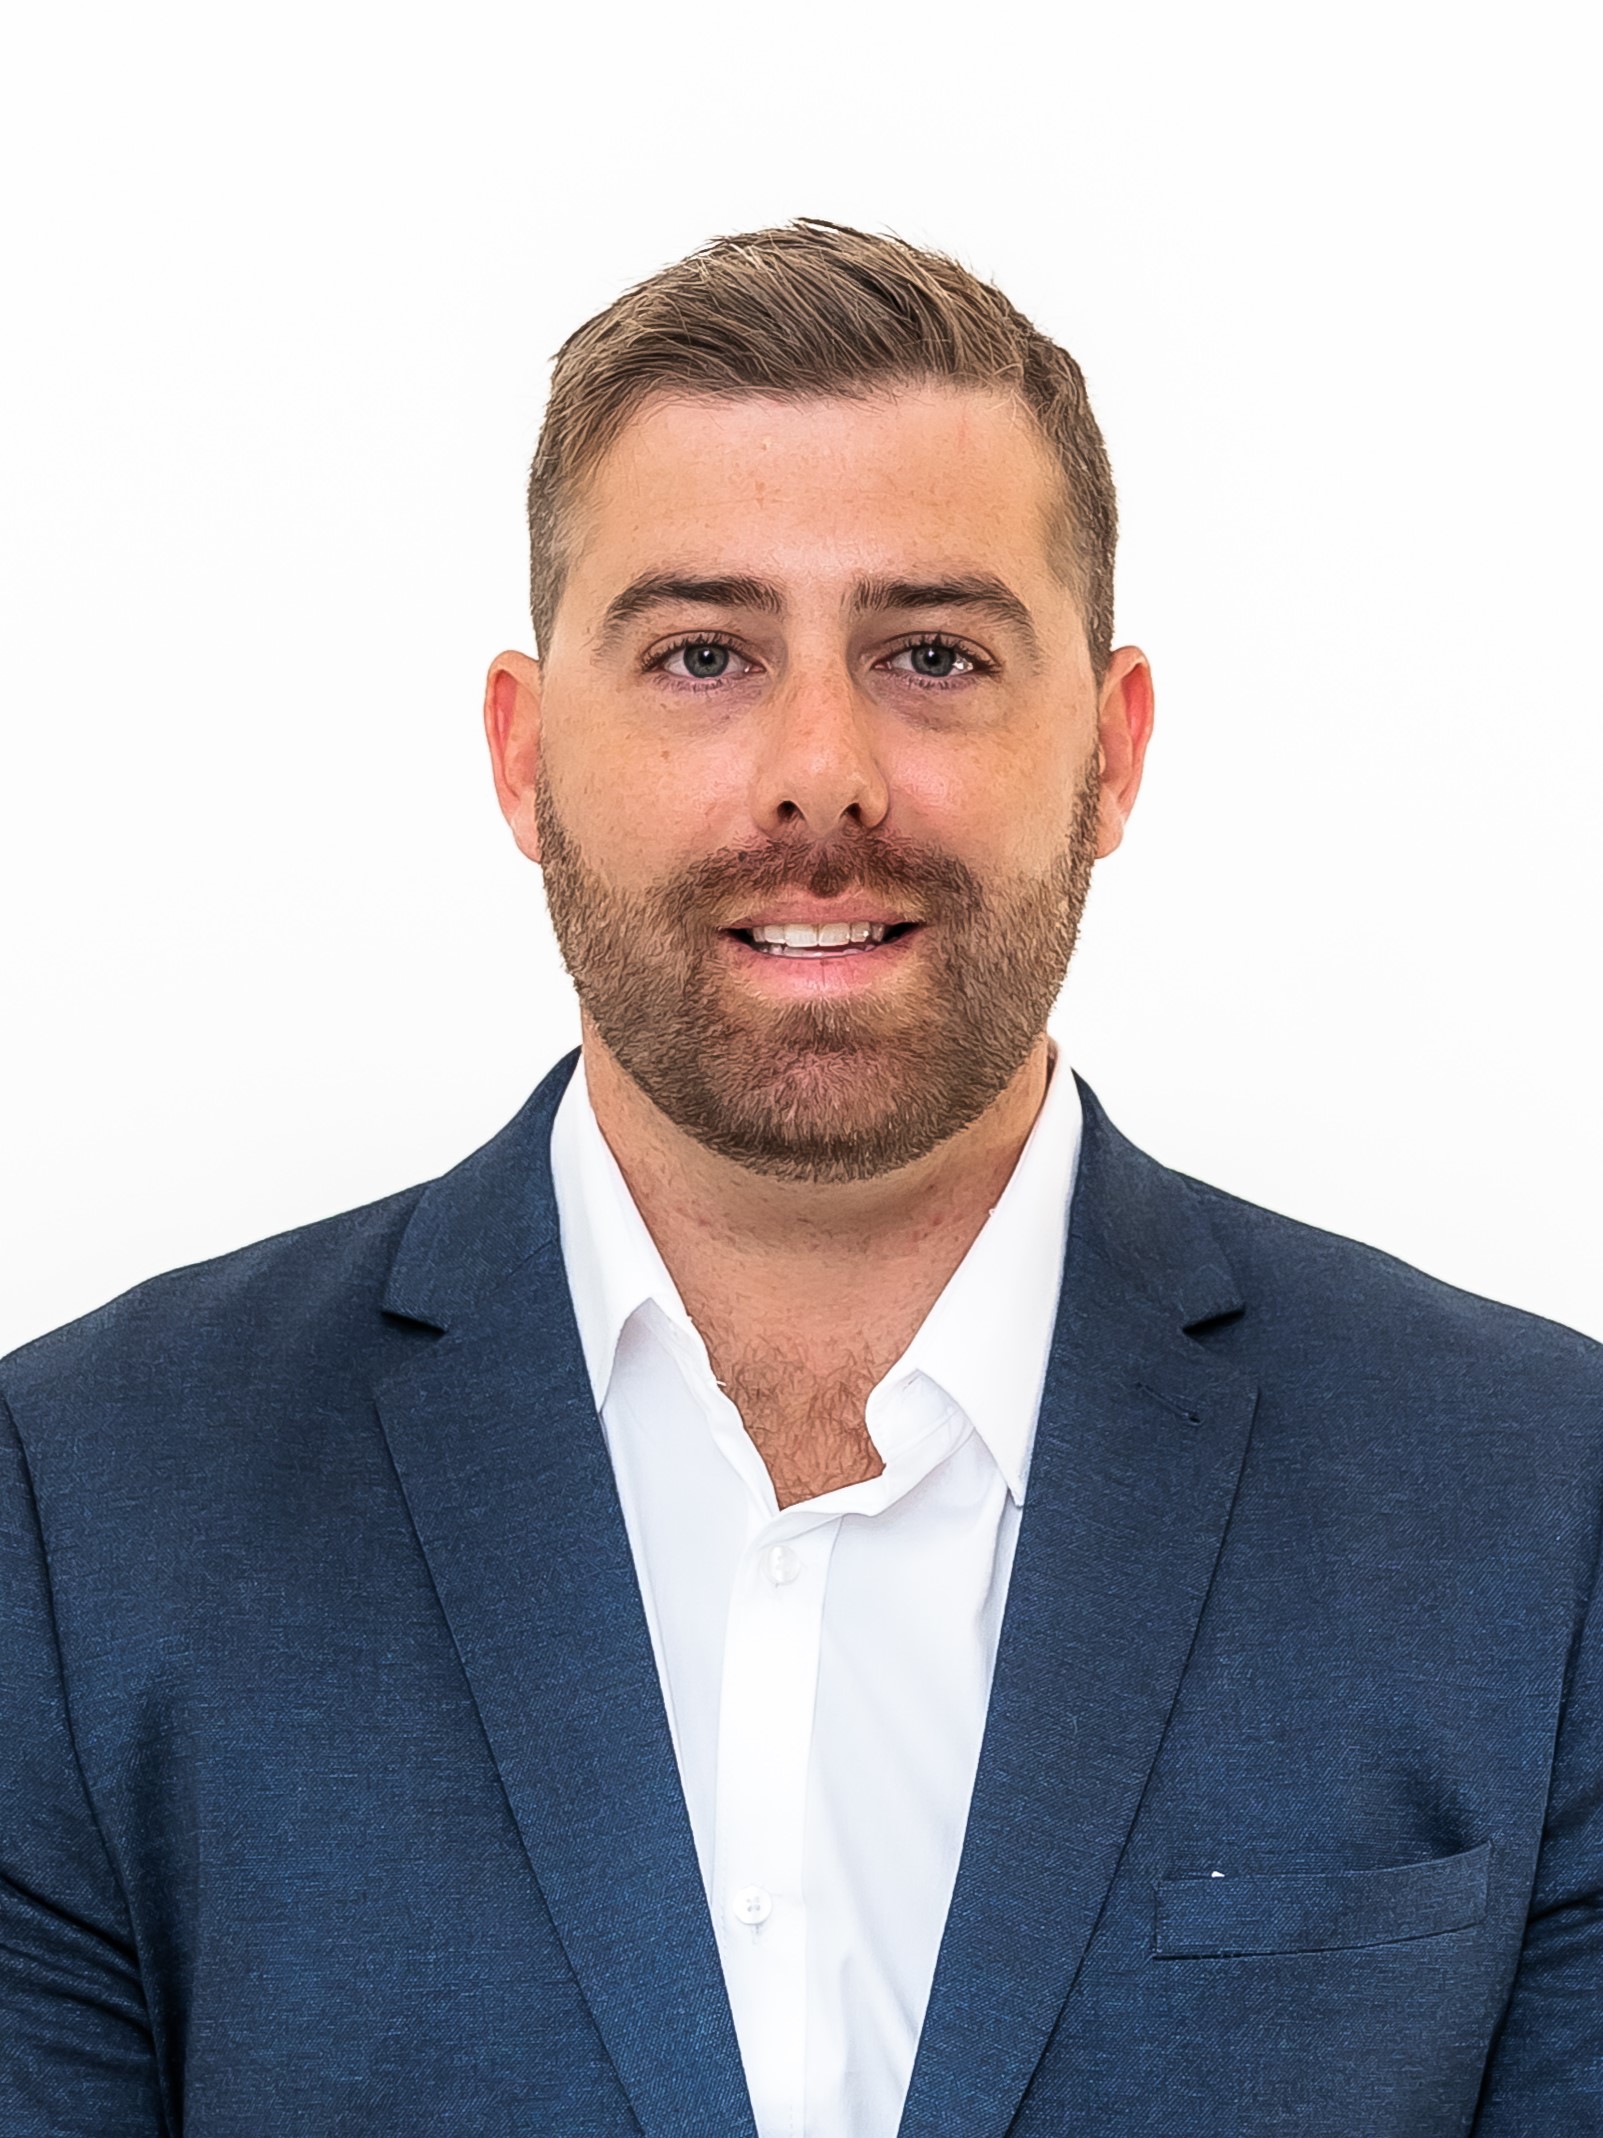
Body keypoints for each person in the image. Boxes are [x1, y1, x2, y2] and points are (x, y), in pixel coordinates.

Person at [1, 217, 1599, 2138]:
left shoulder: (1539, 1507)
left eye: (933, 654)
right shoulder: (82, 1510)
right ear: (525, 759)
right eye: (704, 654)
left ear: (1109, 754)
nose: (821, 772)